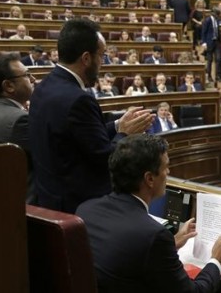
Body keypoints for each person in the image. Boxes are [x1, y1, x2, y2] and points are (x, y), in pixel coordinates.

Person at [76, 134, 221, 293]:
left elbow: (127, 254)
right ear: (150, 178)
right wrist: (217, 260)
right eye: (165, 166)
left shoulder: (85, 211)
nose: (168, 172)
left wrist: (172, 242)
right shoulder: (153, 235)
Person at [29, 19, 153, 213]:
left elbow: (82, 137)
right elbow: (105, 158)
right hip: (78, 207)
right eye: (102, 56)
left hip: (48, 197)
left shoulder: (43, 87)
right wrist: (125, 134)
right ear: (86, 58)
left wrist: (118, 124)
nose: (102, 63)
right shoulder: (79, 99)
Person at [0, 54, 36, 201]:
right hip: (26, 205)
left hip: (0, 197)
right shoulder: (19, 120)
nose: (33, 79)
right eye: (27, 75)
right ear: (8, 86)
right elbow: (48, 157)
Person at [202, 7, 221, 82]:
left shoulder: (217, 20)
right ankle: (209, 76)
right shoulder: (207, 20)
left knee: (218, 59)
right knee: (209, 60)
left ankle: (218, 76)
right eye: (218, 14)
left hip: (216, 41)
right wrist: (204, 43)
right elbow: (204, 32)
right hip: (209, 42)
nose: (218, 16)